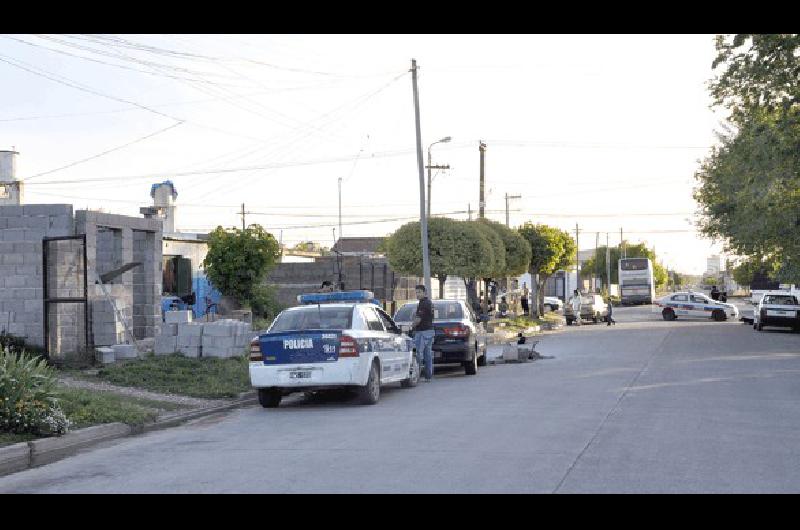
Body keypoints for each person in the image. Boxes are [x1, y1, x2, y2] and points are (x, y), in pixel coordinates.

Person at [412, 284, 435, 381]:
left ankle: (416, 376)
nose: (417, 294)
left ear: (424, 292)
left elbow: (418, 320)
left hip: (422, 332)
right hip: (429, 331)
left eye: (419, 292)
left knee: (418, 354)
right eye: (416, 292)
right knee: (427, 355)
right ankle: (428, 376)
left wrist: (411, 326)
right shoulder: (428, 302)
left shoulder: (423, 303)